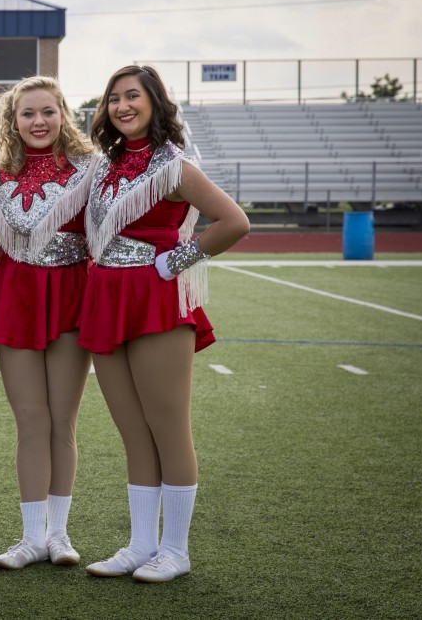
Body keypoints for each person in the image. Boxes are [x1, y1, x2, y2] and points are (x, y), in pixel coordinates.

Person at [80, 65, 250, 583]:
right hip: (106, 297)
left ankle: (175, 551)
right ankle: (140, 545)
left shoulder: (175, 167)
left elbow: (234, 222)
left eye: (133, 96)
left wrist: (169, 264)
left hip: (155, 300)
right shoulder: (105, 165)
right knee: (133, 432)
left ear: (156, 102)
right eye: (114, 98)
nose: (122, 105)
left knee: (168, 430)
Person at [0, 76, 98, 570]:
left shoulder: (91, 169)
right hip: (16, 297)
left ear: (63, 114)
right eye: (27, 113)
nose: (38, 122)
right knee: (30, 420)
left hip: (72, 296)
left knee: (62, 420)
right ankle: (31, 537)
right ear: (12, 121)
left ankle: (58, 535)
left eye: (47, 112)